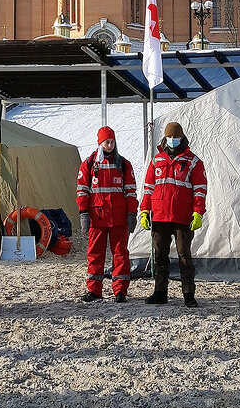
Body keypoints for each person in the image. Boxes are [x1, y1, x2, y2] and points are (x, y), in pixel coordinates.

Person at [140, 121, 207, 308]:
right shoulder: (157, 161)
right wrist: (144, 210)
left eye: (176, 137)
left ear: (182, 138)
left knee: (184, 255)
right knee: (160, 254)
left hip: (182, 216)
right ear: (165, 138)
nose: (172, 140)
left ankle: (188, 294)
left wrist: (198, 213)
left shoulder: (193, 161)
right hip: (160, 215)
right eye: (169, 137)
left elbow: (200, 190)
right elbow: (148, 188)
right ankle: (160, 292)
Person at [76, 126, 137, 303]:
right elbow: (82, 190)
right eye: (106, 142)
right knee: (95, 254)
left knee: (120, 254)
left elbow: (131, 191)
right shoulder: (89, 163)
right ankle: (94, 291)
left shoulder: (124, 164)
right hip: (97, 218)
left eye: (112, 141)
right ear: (100, 142)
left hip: (119, 218)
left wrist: (132, 213)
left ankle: (120, 292)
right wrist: (83, 213)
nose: (110, 145)